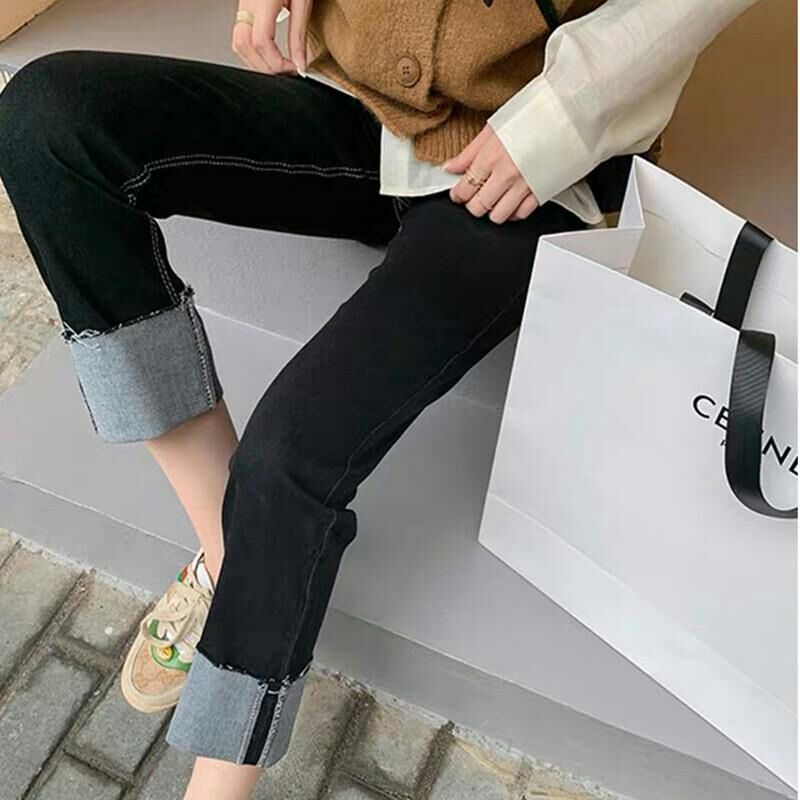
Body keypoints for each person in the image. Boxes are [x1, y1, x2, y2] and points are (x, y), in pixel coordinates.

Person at [0, 0, 757, 797]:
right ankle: (230, 558)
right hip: (358, 98)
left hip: (534, 168)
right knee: (45, 122)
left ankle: (221, 782)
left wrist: (565, 116)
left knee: (287, 453)